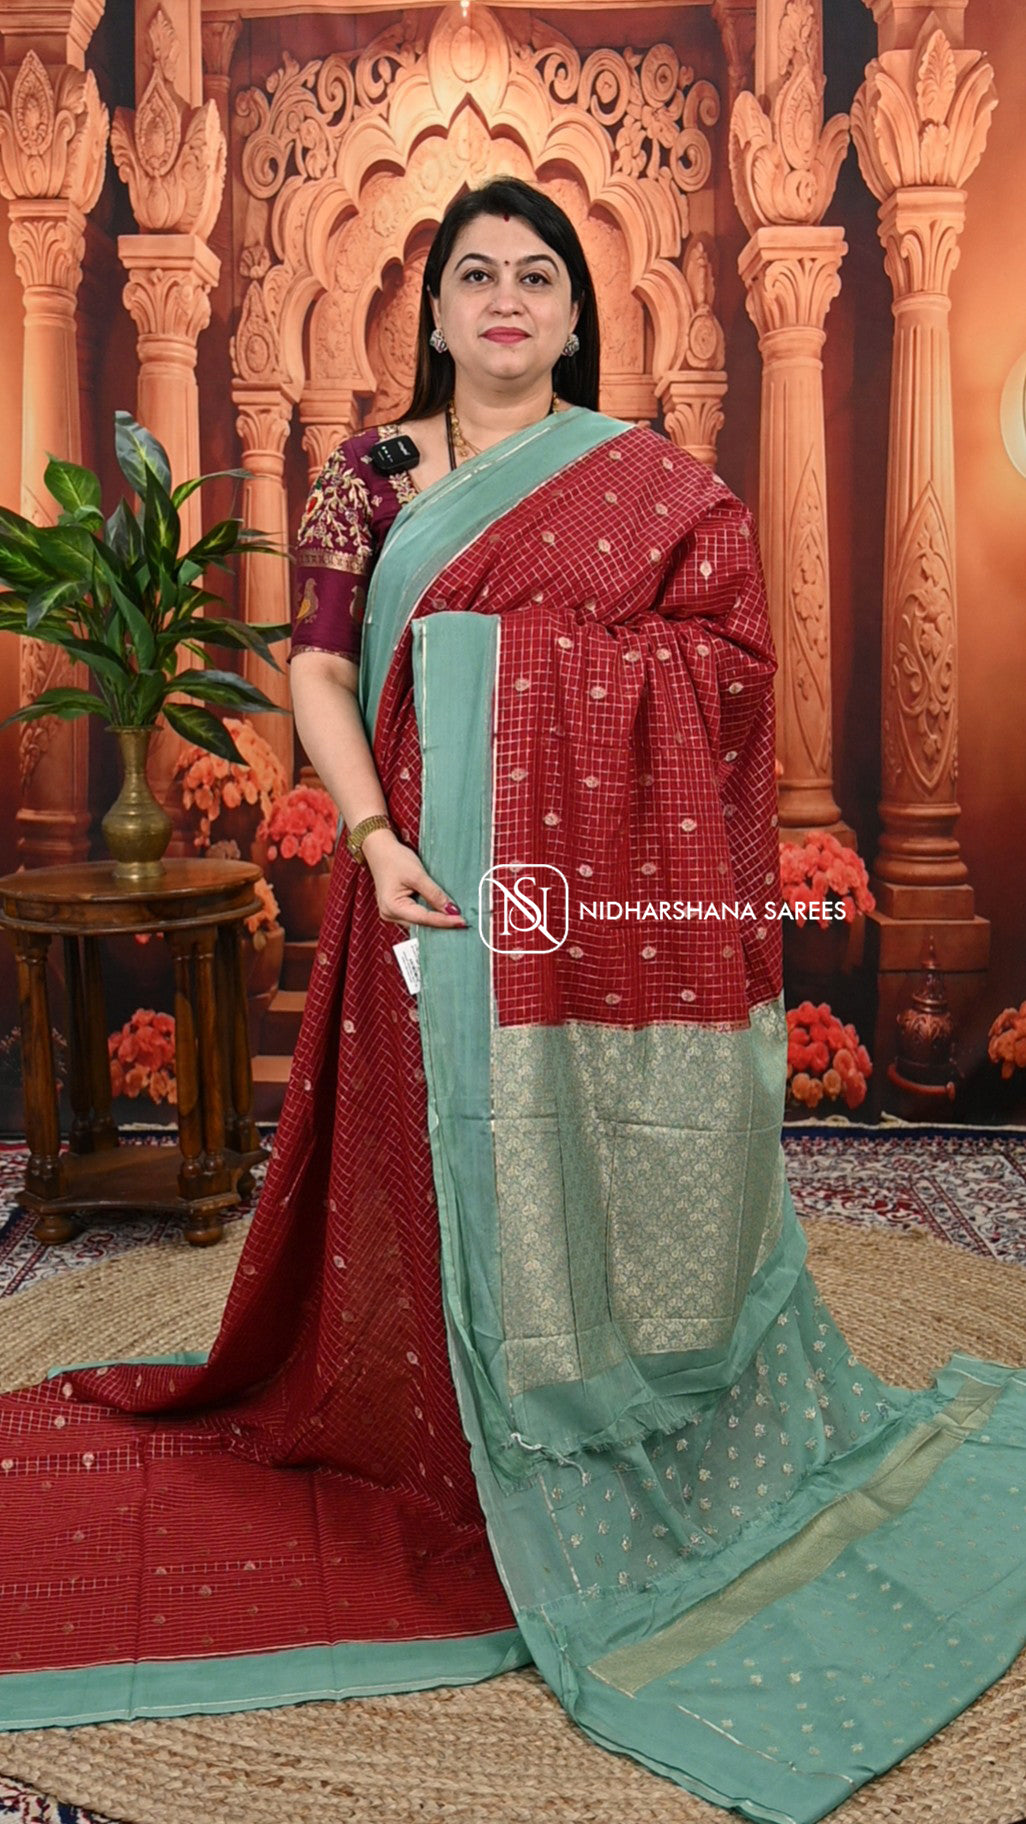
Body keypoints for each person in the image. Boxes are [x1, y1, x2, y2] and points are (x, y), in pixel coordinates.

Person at [0, 176, 1024, 1824]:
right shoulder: (368, 476)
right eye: (473, 272)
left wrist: (518, 676)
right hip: (422, 879)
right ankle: (452, 1431)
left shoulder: (649, 485)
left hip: (591, 903)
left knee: (590, 1152)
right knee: (429, 1157)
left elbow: (732, 674)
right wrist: (375, 834)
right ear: (430, 307)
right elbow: (319, 665)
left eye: (535, 275)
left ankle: (593, 1415)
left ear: (572, 311)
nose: (502, 297)